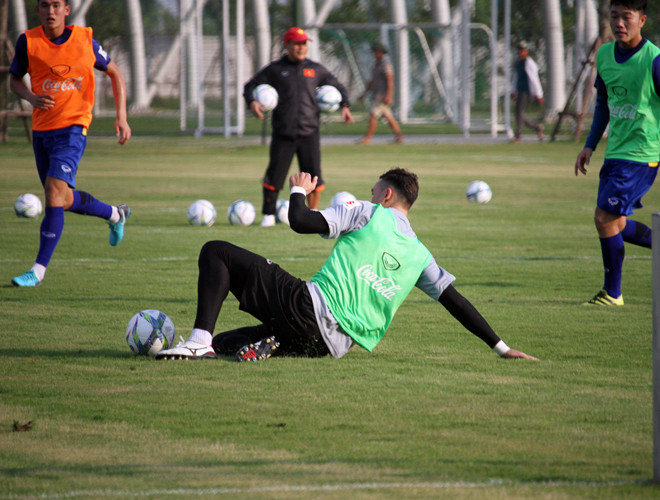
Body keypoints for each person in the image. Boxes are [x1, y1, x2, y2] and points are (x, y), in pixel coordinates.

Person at [156, 168, 537, 362]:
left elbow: (300, 222)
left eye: (374, 190)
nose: (370, 194)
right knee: (228, 342)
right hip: (329, 345)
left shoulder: (371, 212)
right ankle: (267, 344)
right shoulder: (421, 255)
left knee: (216, 251)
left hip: (306, 308)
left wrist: (298, 189)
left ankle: (198, 343)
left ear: (386, 195)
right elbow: (456, 302)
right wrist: (501, 347)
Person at [9, 0, 132, 287]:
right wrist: (30, 97)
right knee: (61, 199)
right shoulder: (28, 41)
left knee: (53, 194)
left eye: (56, 5)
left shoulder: (85, 40)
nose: (50, 11)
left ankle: (38, 271)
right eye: (45, 5)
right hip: (42, 131)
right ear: (38, 10)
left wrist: (122, 117)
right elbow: (14, 80)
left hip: (74, 128)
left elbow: (116, 73)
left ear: (66, 10)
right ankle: (115, 214)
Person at [574, 0, 659, 306]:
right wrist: (589, 145)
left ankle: (613, 293)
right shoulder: (604, 55)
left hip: (642, 154)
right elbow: (602, 104)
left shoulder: (654, 60)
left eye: (627, 17)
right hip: (615, 154)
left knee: (604, 218)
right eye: (614, 16)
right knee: (617, 223)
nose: (619, 23)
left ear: (642, 20)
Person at [243, 27, 354, 227]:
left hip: (309, 132)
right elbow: (249, 86)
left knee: (314, 176)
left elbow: (338, 86)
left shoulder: (316, 69)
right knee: (274, 175)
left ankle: (312, 213)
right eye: (296, 44)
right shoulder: (275, 69)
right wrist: (252, 102)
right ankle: (269, 215)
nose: (301, 47)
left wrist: (345, 105)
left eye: (304, 43)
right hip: (283, 133)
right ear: (287, 45)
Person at [357, 41, 404, 144]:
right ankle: (399, 136)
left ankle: (368, 138)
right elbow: (372, 81)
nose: (374, 54)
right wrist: (364, 93)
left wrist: (389, 96)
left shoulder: (386, 65)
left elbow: (390, 81)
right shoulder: (376, 65)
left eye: (376, 52)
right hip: (377, 95)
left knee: (373, 115)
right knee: (388, 117)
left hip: (382, 96)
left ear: (381, 52)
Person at [511, 40, 545, 142]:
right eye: (519, 50)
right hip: (520, 91)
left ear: (527, 52)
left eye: (523, 50)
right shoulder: (519, 63)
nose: (520, 52)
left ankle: (518, 136)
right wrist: (513, 90)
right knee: (519, 114)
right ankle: (537, 128)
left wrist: (539, 94)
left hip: (527, 92)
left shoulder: (529, 64)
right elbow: (516, 77)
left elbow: (535, 80)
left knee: (519, 113)